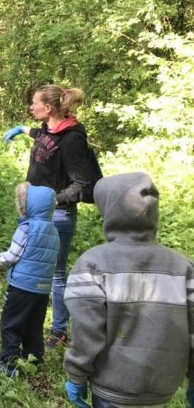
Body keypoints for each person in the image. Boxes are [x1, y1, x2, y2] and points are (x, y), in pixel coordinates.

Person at [63, 172, 194, 408]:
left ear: (110, 211)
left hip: (112, 389)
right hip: (161, 389)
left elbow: (86, 331)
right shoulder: (183, 267)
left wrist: (77, 375)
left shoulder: (93, 264)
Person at [3, 85, 94, 349]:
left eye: (34, 103)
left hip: (57, 217)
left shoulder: (73, 138)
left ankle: (58, 330)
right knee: (27, 267)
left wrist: (52, 201)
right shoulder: (49, 128)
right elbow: (46, 141)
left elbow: (81, 184)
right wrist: (22, 129)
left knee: (54, 274)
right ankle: (26, 320)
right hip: (35, 215)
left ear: (49, 108)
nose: (31, 107)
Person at [0, 183, 59, 376]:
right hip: (42, 289)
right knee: (34, 324)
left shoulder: (27, 228)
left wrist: (1, 258)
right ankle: (34, 359)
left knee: (11, 322)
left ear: (29, 206)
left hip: (22, 286)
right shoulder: (54, 231)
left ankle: (9, 363)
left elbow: (13, 255)